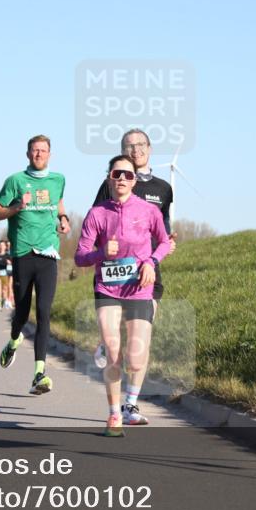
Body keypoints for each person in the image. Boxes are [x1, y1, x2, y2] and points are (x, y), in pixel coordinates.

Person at [76, 155, 170, 436]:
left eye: (128, 175)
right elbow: (80, 256)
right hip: (107, 288)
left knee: (137, 358)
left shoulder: (148, 210)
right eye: (117, 174)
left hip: (139, 287)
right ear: (109, 177)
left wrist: (151, 263)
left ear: (134, 180)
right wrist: (100, 253)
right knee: (115, 352)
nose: (122, 179)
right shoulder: (97, 213)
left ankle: (131, 402)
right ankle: (115, 414)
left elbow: (164, 242)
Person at [91, 129, 177, 417]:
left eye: (140, 145)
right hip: (114, 274)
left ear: (150, 149)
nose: (135, 150)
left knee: (140, 339)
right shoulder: (114, 180)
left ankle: (130, 404)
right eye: (129, 146)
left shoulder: (164, 188)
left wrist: (165, 246)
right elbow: (96, 225)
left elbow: (162, 227)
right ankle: (107, 342)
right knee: (117, 338)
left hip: (148, 270)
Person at [0, 135, 71, 395]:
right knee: (22, 313)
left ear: (50, 154)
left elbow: (58, 201)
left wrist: (63, 217)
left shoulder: (58, 179)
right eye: (35, 150)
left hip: (49, 253)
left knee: (44, 311)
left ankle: (39, 373)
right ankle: (14, 339)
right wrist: (17, 206)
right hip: (23, 252)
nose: (39, 154)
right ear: (28, 154)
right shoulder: (14, 180)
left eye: (43, 150)